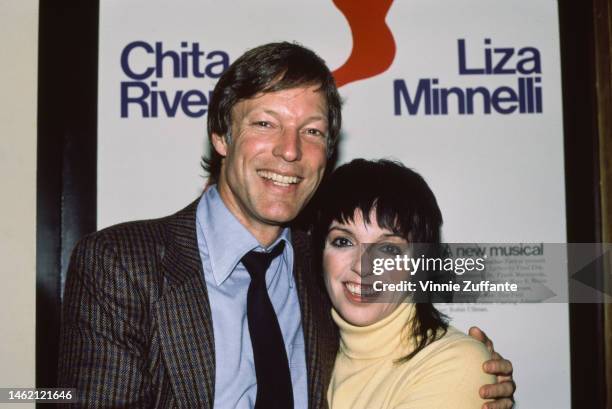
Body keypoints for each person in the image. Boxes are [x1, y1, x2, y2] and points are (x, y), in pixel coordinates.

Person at [58, 42, 515, 408]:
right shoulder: (120, 262)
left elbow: (507, 277)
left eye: (312, 131)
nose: (290, 150)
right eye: (265, 123)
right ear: (221, 135)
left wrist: (470, 368)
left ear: (328, 150)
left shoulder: (332, 258)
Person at [316, 158, 503, 409]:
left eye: (389, 248)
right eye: (343, 242)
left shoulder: (454, 362)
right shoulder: (308, 351)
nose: (362, 266)